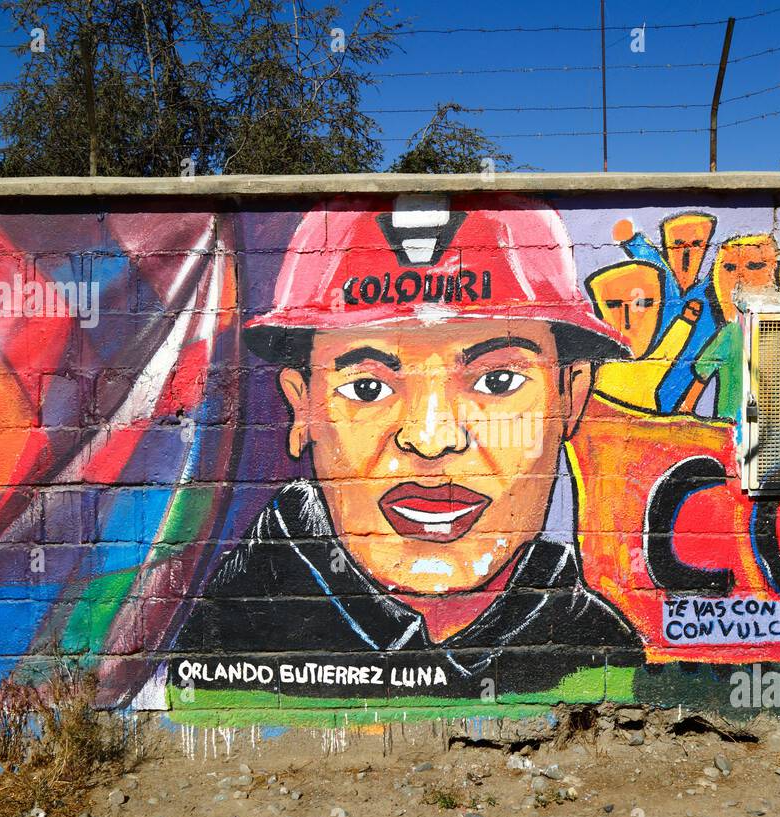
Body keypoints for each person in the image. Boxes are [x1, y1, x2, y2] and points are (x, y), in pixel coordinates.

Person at [173, 194, 640, 682]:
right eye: (367, 388)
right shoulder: (228, 639)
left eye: (497, 382)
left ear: (571, 398)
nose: (431, 439)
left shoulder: (603, 651)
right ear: (302, 407)